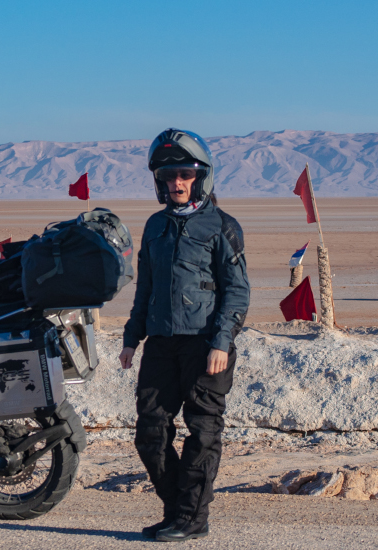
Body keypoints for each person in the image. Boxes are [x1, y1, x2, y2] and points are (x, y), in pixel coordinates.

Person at [119, 128, 250, 542]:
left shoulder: (221, 226)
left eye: (186, 174)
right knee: (150, 432)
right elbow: (146, 288)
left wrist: (221, 341)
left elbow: (237, 290)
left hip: (203, 343)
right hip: (160, 341)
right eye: (170, 174)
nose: (178, 182)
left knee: (203, 430)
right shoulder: (155, 226)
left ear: (202, 177)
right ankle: (177, 510)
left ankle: (193, 517)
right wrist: (131, 336)